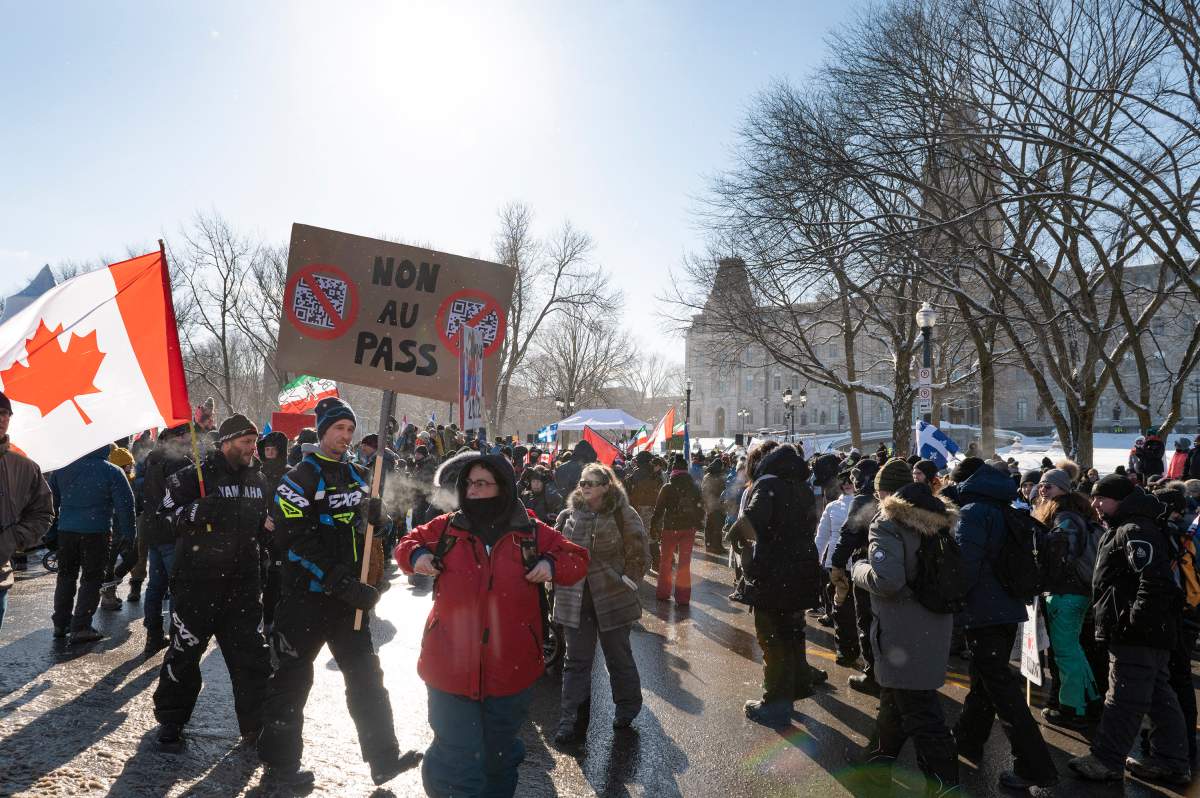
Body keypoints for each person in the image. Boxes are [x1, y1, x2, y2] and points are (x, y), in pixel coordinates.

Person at [396, 454, 589, 798]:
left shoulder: (530, 530)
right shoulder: (447, 527)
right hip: (449, 666)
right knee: (457, 759)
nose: (473, 491)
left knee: (498, 760)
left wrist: (550, 563)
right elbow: (406, 544)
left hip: (510, 669)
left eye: (482, 483)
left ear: (502, 486)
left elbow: (576, 558)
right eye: (468, 484)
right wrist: (417, 557)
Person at [257, 398, 420, 790]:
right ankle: (279, 765)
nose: (345, 437)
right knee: (292, 681)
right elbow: (292, 540)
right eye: (338, 429)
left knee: (367, 679)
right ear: (323, 431)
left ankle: (383, 759)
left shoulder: (359, 473)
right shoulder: (299, 477)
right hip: (305, 599)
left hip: (349, 604)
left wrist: (378, 522)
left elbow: (370, 533)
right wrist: (338, 581)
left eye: (350, 430)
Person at [151, 414, 273, 750]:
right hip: (197, 581)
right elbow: (158, 522)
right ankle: (172, 721)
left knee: (251, 656)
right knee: (185, 651)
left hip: (244, 583)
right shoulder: (193, 476)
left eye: (253, 442)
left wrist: (269, 543)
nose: (252, 448)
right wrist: (192, 513)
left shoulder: (259, 480)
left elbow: (265, 526)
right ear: (227, 442)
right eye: (246, 442)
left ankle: (256, 725)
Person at [1068, 476, 1190, 784]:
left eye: (1101, 498)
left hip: (1137, 634)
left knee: (1123, 697)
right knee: (1158, 695)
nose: (1094, 504)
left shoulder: (1134, 529)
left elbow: (1154, 582)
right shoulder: (1127, 526)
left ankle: (1106, 760)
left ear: (1120, 499)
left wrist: (1133, 622)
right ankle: (1171, 761)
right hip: (1147, 631)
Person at [952, 463, 1059, 790]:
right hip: (1009, 608)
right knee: (986, 679)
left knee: (1001, 688)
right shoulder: (1009, 510)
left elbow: (964, 567)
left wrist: (950, 600)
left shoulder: (972, 513)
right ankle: (968, 739)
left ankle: (1034, 766)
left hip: (982, 611)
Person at [852, 476, 960, 797]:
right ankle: (871, 776)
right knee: (895, 712)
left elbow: (888, 582)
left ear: (887, 493)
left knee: (924, 717)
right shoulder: (940, 523)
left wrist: (857, 567)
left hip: (901, 631)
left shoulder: (887, 523)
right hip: (933, 624)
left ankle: (944, 788)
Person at [552, 462, 648, 744]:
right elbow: (556, 549)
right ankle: (570, 720)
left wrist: (628, 580)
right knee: (575, 662)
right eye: (582, 482)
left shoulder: (623, 514)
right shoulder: (568, 514)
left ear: (607, 486)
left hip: (612, 598)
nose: (584, 487)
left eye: (591, 483)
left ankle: (627, 708)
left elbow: (640, 551)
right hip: (575, 600)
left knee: (618, 657)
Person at [736, 443, 823, 727]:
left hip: (774, 573)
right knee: (790, 633)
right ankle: (794, 687)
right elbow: (810, 524)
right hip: (800, 569)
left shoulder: (768, 485)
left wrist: (740, 546)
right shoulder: (802, 487)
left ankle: (775, 703)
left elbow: (751, 523)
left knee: (771, 638)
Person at [1033, 469, 1100, 729]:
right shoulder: (1073, 514)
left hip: (1067, 594)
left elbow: (1062, 557)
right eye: (1041, 485)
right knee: (1074, 651)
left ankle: (1073, 709)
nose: (1043, 489)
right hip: (1075, 592)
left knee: (1066, 653)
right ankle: (1090, 700)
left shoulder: (1065, 516)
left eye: (1049, 486)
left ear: (1063, 489)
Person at [48, 444, 135, 643]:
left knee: (66, 576)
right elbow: (126, 508)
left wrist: (51, 533)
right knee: (91, 578)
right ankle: (81, 626)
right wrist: (130, 537)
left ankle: (61, 623)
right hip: (97, 532)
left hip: (67, 532)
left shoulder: (62, 469)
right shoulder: (112, 471)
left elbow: (50, 503)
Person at [0, 393, 54, 632]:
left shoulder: (24, 466)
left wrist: (12, 539)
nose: (1, 419)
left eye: (5, 413)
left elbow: (43, 512)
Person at [139, 423, 194, 654]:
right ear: (178, 436)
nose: (191, 440)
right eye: (187, 436)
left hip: (155, 528)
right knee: (178, 586)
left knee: (156, 586)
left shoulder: (153, 459)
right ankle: (176, 636)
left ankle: (153, 633)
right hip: (173, 530)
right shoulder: (178, 461)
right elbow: (187, 494)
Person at [830, 457, 882, 695]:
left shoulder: (862, 499)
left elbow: (848, 533)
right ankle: (887, 671)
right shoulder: (888, 497)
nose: (852, 481)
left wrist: (837, 563)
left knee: (867, 619)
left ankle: (873, 674)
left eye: (854, 477)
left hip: (866, 565)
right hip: (889, 565)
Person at [650, 454, 705, 605]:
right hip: (688, 529)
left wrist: (653, 526)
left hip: (670, 528)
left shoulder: (667, 487)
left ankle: (663, 593)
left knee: (665, 562)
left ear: (672, 470)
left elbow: (659, 509)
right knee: (684, 564)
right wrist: (698, 523)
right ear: (686, 470)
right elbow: (701, 508)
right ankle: (683, 598)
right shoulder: (694, 487)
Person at [815, 469, 856, 660]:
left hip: (858, 564)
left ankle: (855, 647)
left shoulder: (867, 503)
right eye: (844, 482)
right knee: (841, 608)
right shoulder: (832, 507)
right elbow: (822, 535)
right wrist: (816, 558)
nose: (848, 484)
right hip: (836, 563)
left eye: (851, 481)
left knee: (858, 609)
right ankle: (845, 649)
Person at [99, 444, 140, 610]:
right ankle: (107, 593)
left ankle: (109, 587)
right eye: (128, 466)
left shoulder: (128, 479)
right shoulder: (115, 477)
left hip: (117, 527)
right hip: (114, 528)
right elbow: (122, 506)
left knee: (129, 558)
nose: (131, 468)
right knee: (114, 561)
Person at [257, 430, 289, 633]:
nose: (269, 453)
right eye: (266, 449)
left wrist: (277, 519)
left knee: (276, 580)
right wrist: (261, 517)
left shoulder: (289, 473)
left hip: (280, 534)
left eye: (272, 449)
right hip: (258, 533)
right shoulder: (256, 472)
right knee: (258, 578)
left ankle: (271, 620)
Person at [625, 450, 665, 568]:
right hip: (653, 507)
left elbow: (629, 491)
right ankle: (656, 562)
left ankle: (642, 562)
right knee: (651, 536)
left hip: (638, 508)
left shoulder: (637, 473)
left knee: (637, 536)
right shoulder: (655, 473)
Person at [700, 457, 727, 553]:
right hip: (717, 505)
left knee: (710, 526)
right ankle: (716, 547)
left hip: (709, 505)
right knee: (717, 527)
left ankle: (710, 545)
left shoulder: (707, 476)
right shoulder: (718, 477)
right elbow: (722, 490)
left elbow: (703, 491)